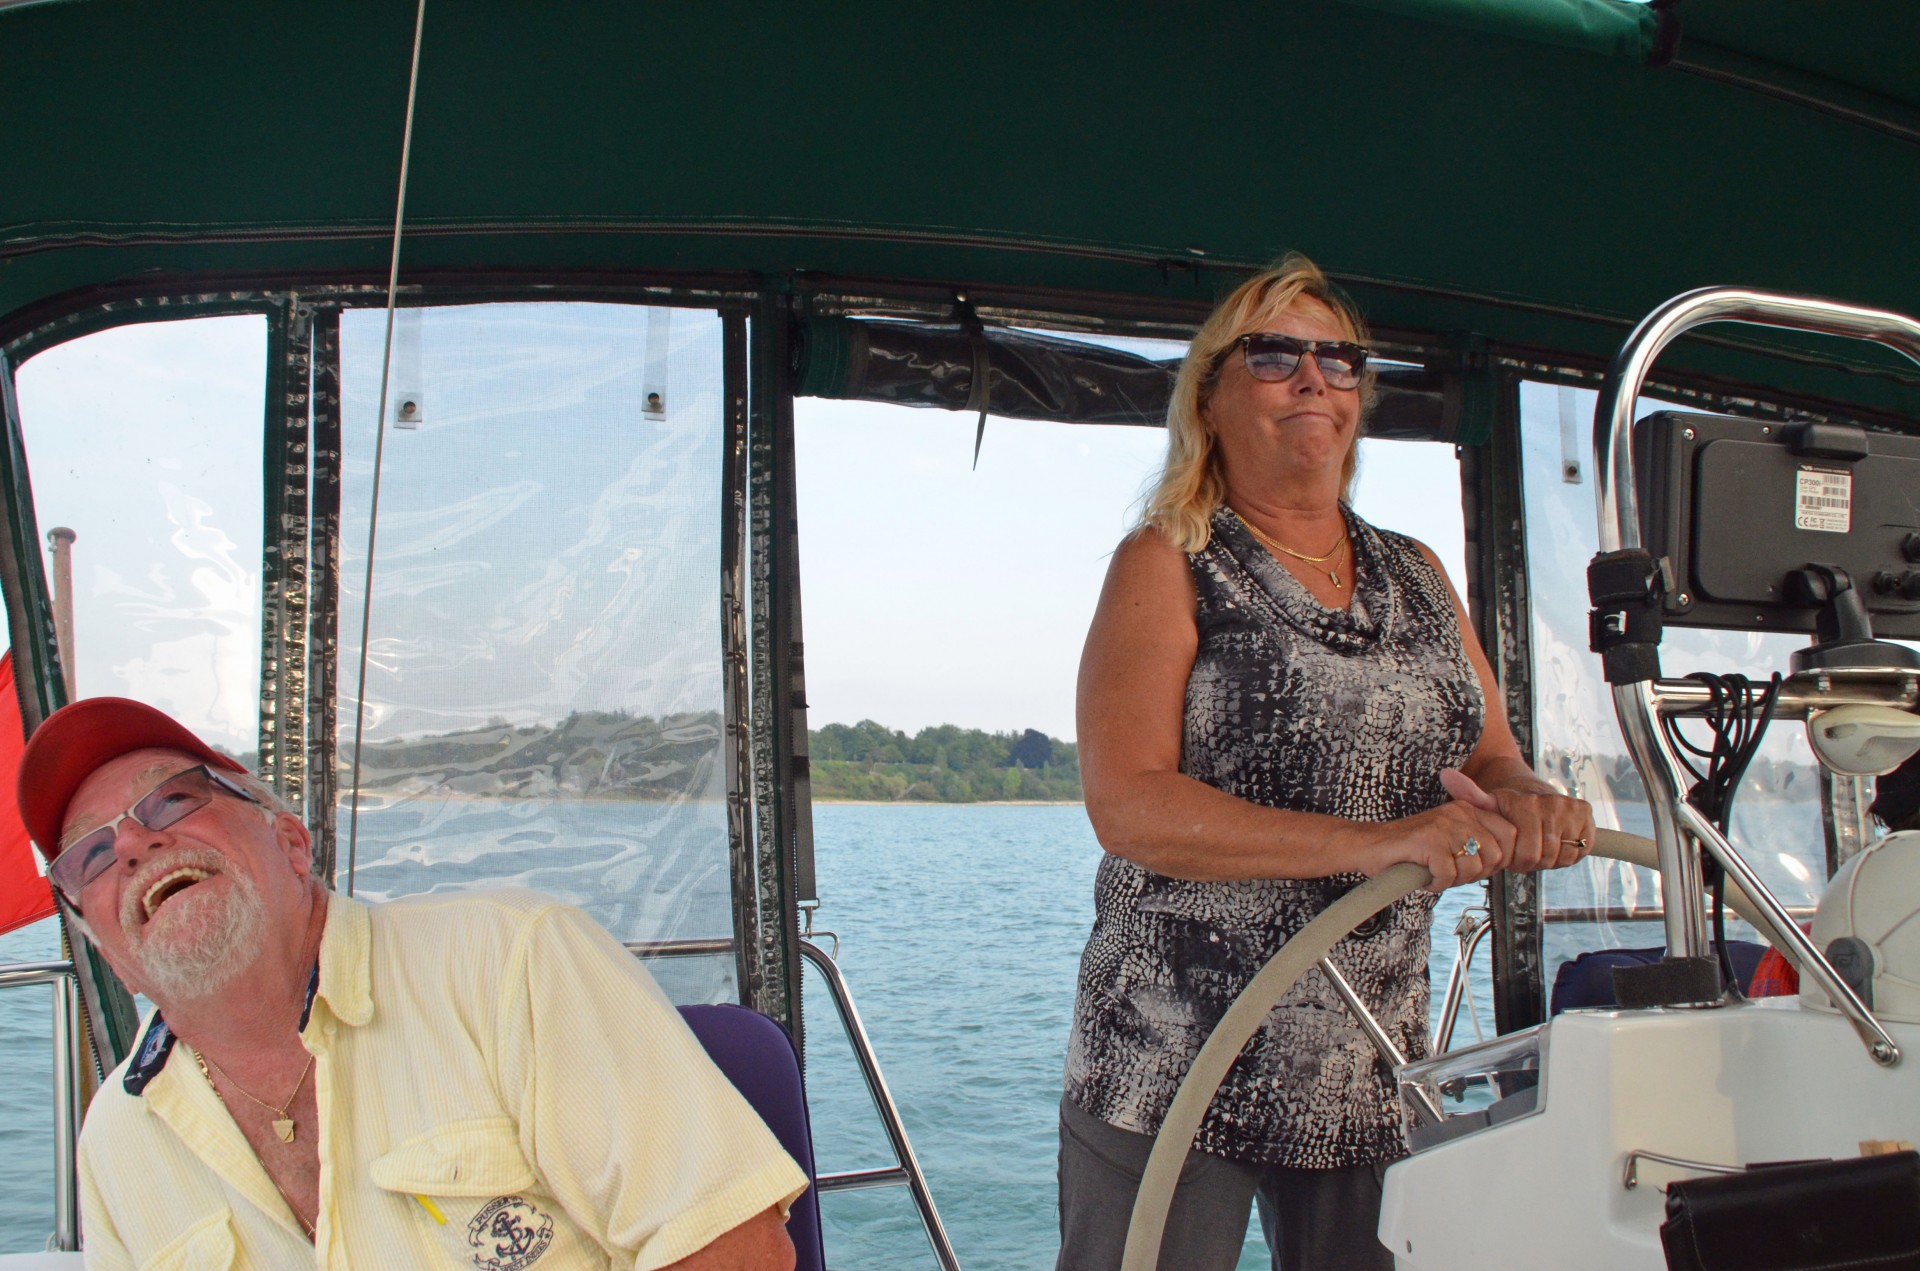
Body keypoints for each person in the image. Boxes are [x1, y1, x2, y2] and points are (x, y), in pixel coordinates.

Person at [1058, 255, 1596, 1270]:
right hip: (1176, 1049)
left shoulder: (1419, 571)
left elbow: (1491, 753)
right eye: (1275, 354)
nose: (1315, 377)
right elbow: (1130, 804)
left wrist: (1532, 803)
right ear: (1211, 396)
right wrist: (1379, 843)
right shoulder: (1168, 558)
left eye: (1339, 359)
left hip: (1371, 1053)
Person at [20, 696, 808, 1270]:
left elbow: (731, 1249)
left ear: (290, 841)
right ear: (106, 946)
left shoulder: (513, 960)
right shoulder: (116, 1140)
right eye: (88, 854)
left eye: (170, 797)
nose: (131, 841)